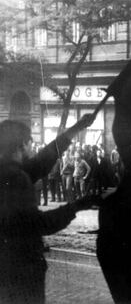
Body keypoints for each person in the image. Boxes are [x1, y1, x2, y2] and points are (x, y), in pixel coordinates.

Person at [0, 114, 99, 304]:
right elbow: (39, 224)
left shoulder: (7, 172)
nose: (32, 148)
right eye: (30, 143)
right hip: (22, 270)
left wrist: (75, 129)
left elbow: (42, 162)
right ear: (22, 145)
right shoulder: (17, 177)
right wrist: (76, 206)